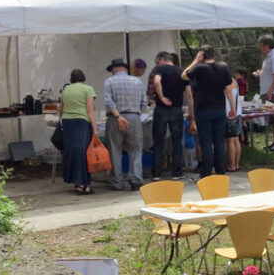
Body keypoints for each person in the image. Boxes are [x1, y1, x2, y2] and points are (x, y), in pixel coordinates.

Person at [182, 46, 236, 179]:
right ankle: (220, 171)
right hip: (219, 109)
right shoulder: (223, 68)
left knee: (205, 142)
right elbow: (228, 88)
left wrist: (195, 61)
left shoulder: (199, 68)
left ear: (202, 55)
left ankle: (206, 172)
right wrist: (232, 108)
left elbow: (184, 75)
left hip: (203, 109)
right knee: (219, 141)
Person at [103, 57, 148, 191]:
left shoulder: (109, 81)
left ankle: (117, 181)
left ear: (114, 69)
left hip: (115, 118)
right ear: (125, 69)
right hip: (134, 117)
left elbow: (108, 102)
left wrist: (119, 116)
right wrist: (134, 114)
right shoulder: (137, 81)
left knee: (115, 149)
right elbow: (144, 103)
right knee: (135, 149)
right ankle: (135, 180)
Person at [152, 51, 194, 181]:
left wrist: (162, 97)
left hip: (161, 109)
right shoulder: (181, 71)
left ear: (162, 59)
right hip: (177, 109)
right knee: (177, 141)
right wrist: (192, 113)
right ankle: (177, 172)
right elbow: (189, 94)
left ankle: (157, 173)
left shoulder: (160, 69)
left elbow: (157, 82)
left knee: (158, 141)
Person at [59, 69, 97, 195]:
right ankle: (83, 184)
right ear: (83, 77)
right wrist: (95, 127)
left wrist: (61, 121)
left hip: (67, 122)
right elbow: (90, 110)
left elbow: (62, 108)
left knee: (72, 152)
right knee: (84, 153)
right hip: (81, 122)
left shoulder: (66, 90)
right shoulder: (88, 89)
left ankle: (77, 182)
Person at [224, 64, 243, 172]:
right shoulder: (234, 81)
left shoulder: (225, 83)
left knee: (230, 140)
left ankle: (232, 165)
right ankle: (236, 164)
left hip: (229, 113)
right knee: (236, 139)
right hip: (238, 112)